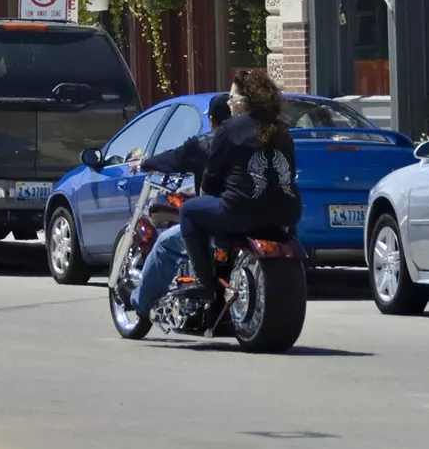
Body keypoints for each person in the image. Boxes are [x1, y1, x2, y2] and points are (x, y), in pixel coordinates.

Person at [178, 68, 302, 317]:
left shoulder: (229, 129)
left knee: (188, 211)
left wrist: (209, 192)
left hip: (241, 210)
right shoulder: (282, 130)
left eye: (232, 99)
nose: (229, 104)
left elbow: (211, 182)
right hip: (286, 213)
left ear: (245, 102)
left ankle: (205, 282)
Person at [126, 94, 232, 318]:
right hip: (247, 217)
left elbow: (172, 158)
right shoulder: (248, 141)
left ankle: (139, 301)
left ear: (212, 120)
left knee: (165, 243)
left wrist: (144, 163)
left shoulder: (203, 144)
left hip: (219, 220)